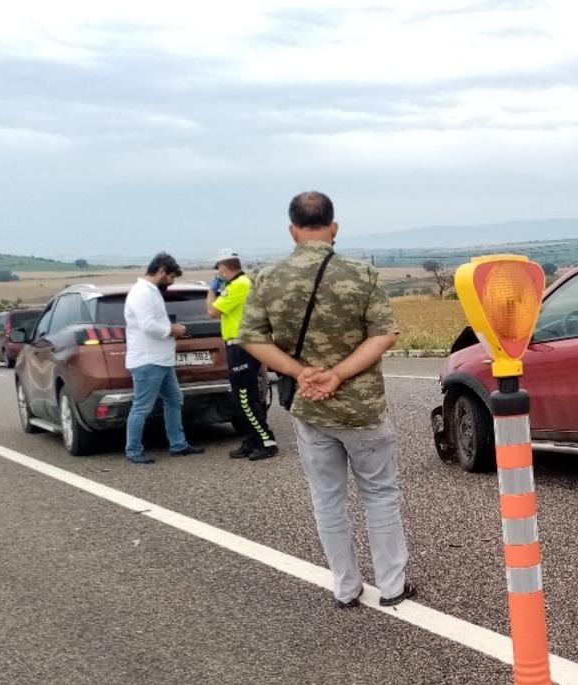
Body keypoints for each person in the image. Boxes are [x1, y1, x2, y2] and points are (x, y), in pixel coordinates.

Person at [239, 191, 414, 609]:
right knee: (380, 495)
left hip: (311, 408)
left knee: (327, 498)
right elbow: (384, 334)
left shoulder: (267, 278)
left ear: (292, 229)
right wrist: (338, 374)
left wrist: (303, 374)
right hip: (363, 408)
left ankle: (345, 586)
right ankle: (391, 585)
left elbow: (251, 339)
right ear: (334, 228)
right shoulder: (362, 274)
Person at [123, 253, 205, 464]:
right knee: (142, 406)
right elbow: (148, 325)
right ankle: (133, 450)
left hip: (161, 359)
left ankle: (178, 444)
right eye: (171, 277)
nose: (171, 282)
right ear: (161, 271)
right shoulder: (142, 293)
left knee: (174, 399)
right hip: (147, 359)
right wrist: (173, 330)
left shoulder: (150, 292)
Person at [207, 249, 278, 461]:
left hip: (242, 347)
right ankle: (252, 440)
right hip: (238, 346)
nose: (217, 275)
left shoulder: (239, 285)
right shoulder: (239, 284)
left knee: (246, 398)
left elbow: (212, 311)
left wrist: (212, 291)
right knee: (240, 398)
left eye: (218, 270)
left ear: (223, 267)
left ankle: (266, 440)